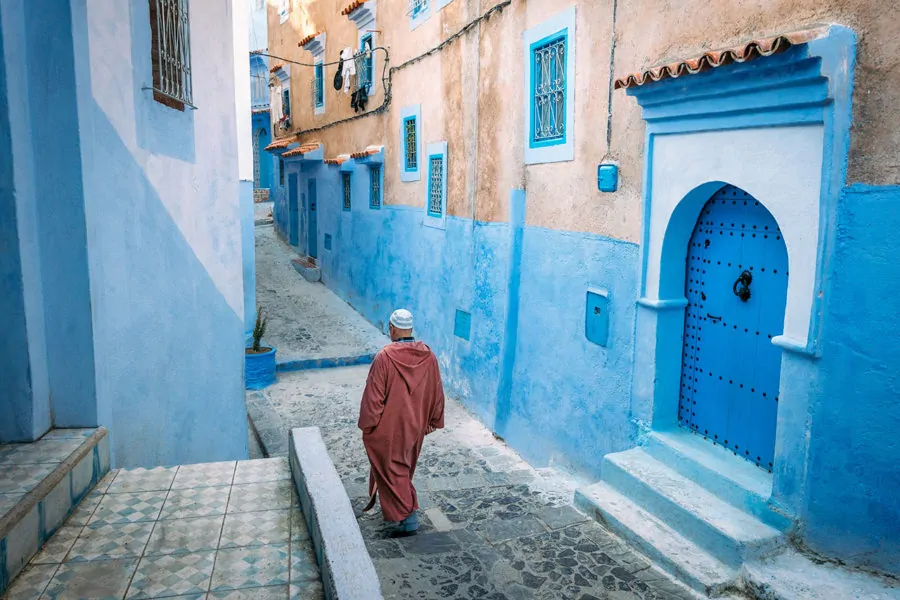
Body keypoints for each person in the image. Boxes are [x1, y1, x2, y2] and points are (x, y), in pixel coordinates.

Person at [358, 309, 445, 537]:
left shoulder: (385, 357)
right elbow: (437, 391)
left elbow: (373, 397)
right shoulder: (429, 356)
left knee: (392, 469)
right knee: (402, 468)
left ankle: (408, 517)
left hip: (390, 427)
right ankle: (405, 514)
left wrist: (369, 425)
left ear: (392, 328)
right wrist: (432, 421)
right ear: (410, 328)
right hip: (415, 426)